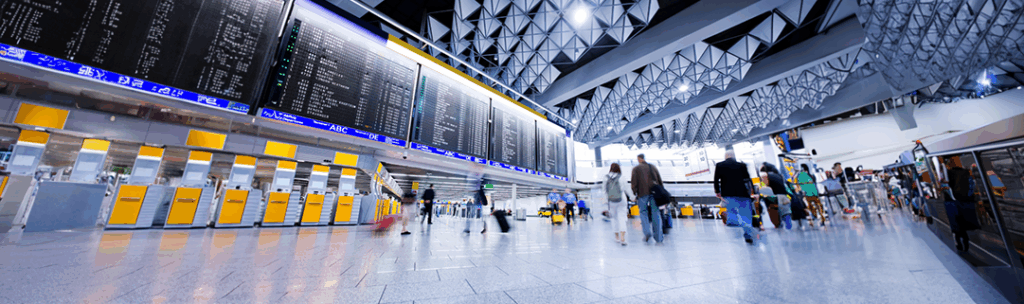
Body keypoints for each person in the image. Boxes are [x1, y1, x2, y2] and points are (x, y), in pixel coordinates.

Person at [714, 150, 756, 243]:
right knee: (745, 215)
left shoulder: (720, 165)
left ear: (726, 156)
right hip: (742, 193)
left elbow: (716, 179)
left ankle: (735, 225)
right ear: (734, 156)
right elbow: (748, 180)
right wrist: (752, 191)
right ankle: (747, 233)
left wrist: (717, 191)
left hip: (728, 194)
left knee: (732, 212)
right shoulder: (742, 165)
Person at [943, 158, 979, 252]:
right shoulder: (966, 172)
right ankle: (965, 242)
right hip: (966, 201)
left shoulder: (948, 174)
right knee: (963, 223)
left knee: (956, 224)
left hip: (952, 201)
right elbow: (972, 185)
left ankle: (959, 242)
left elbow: (946, 187)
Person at [630, 153, 665, 243]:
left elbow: (633, 183)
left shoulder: (636, 169)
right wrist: (662, 192)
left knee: (643, 212)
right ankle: (658, 237)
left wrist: (634, 193)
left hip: (642, 193)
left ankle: (647, 232)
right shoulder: (652, 167)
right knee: (656, 213)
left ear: (639, 159)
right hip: (654, 193)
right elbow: (659, 180)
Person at [605, 163, 635, 245]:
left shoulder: (606, 178)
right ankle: (623, 238)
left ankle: (617, 237)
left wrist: (605, 200)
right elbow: (627, 188)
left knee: (614, 219)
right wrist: (632, 197)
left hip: (611, 200)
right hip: (621, 199)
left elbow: (604, 190)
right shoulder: (621, 177)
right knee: (622, 218)